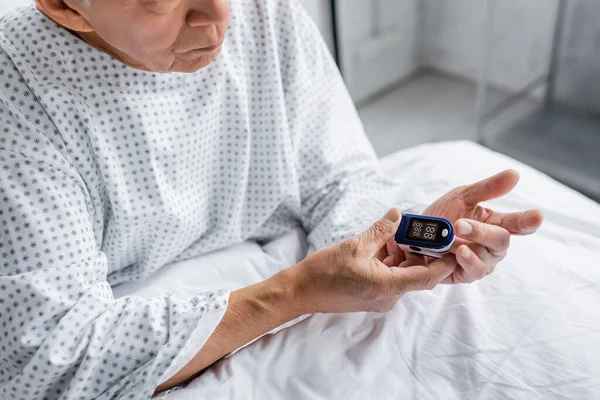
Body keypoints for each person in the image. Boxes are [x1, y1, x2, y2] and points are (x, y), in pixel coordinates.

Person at [0, 0, 543, 398]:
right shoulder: (18, 89)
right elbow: (48, 357)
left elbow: (339, 180)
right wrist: (292, 293)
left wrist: (395, 240)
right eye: (162, 3)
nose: (215, 18)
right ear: (66, 7)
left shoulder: (268, 15)